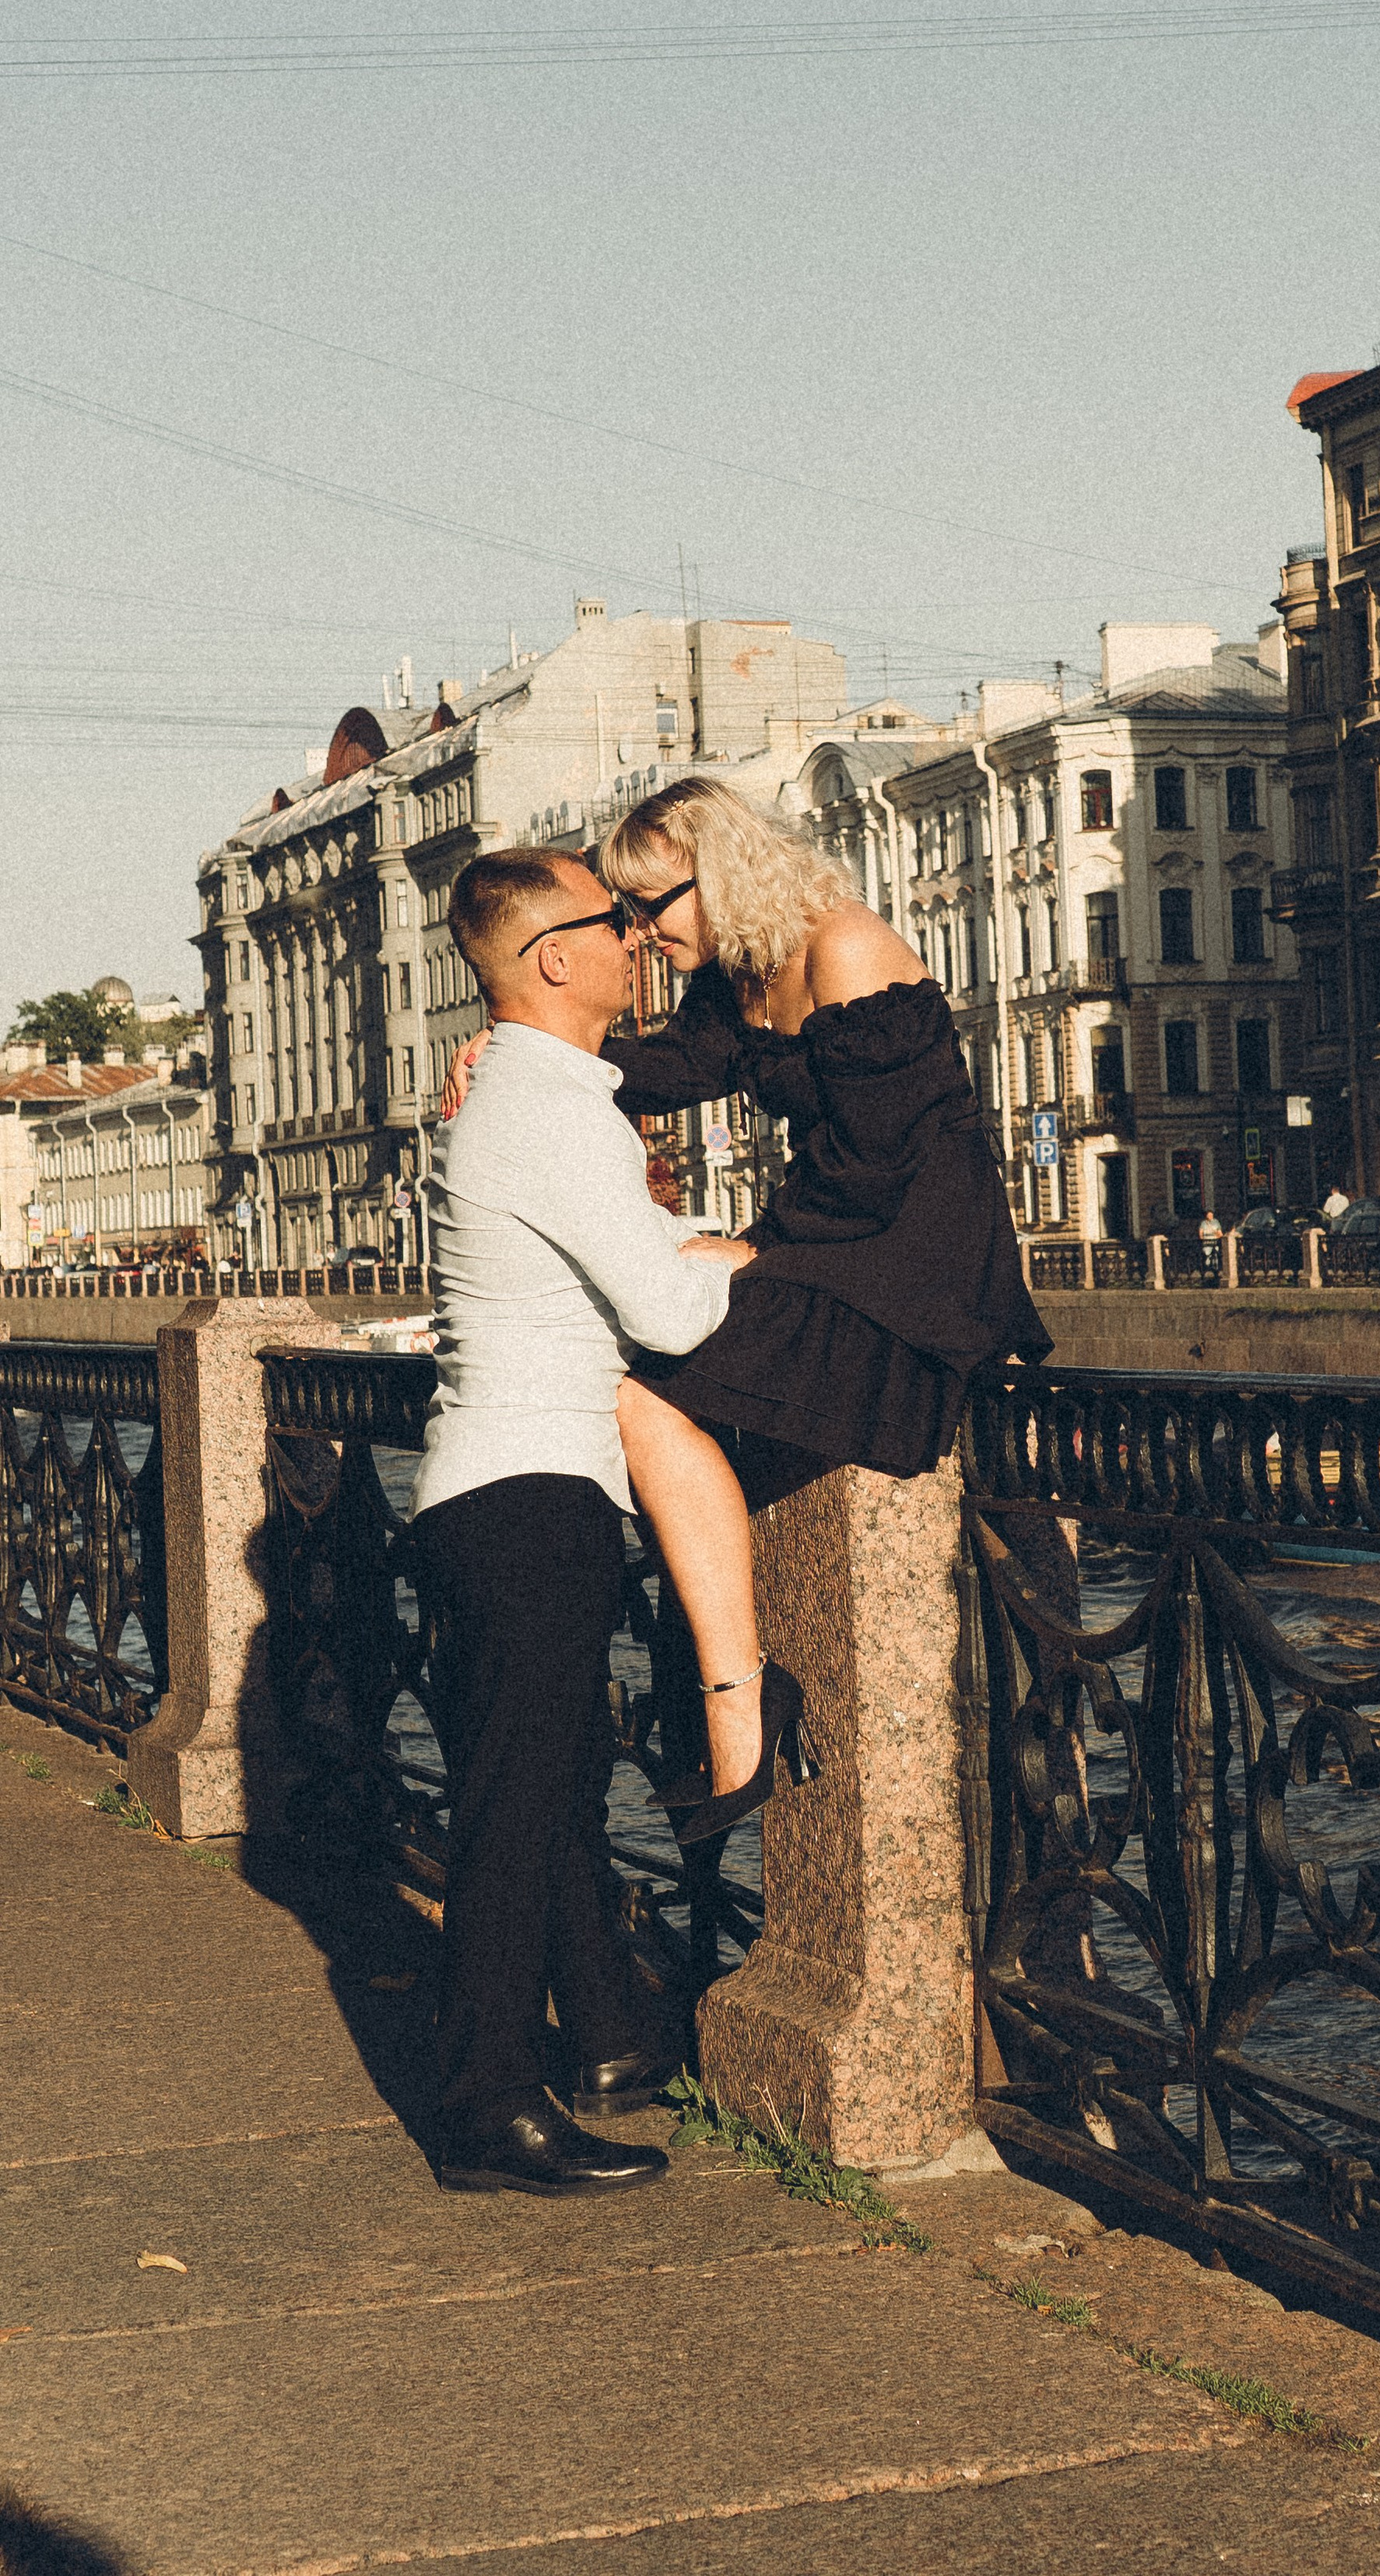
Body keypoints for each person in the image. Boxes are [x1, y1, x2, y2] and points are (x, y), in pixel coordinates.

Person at [450, 777, 1051, 1834]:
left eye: (650, 908)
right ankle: (728, 1699)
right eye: (621, 916)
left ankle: (731, 1706)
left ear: (715, 876)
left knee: (651, 1386)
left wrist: (750, 1253)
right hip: (840, 1250)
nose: (636, 936)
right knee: (647, 1380)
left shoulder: (846, 948)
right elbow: (671, 1067)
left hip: (924, 1272)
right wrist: (526, 1050)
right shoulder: (742, 976)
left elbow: (882, 1169)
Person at [415, 847, 753, 2199]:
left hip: (488, 1492)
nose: (635, 938)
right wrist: (739, 1255)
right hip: (535, 1495)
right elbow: (667, 1315)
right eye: (614, 921)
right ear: (554, 954)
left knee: (544, 1802)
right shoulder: (548, 1110)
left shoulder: (517, 1091)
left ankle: (608, 2037)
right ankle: (486, 2102)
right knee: (516, 1811)